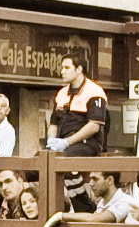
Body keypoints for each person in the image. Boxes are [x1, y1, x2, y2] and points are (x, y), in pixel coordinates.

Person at [47, 53, 110, 204]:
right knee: (36, 164)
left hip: (87, 143)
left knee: (65, 163)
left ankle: (84, 207)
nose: (62, 71)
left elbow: (94, 126)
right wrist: (52, 140)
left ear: (79, 69)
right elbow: (53, 124)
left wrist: (67, 142)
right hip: (63, 142)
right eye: (62, 68)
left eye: (67, 67)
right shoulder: (62, 93)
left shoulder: (95, 91)